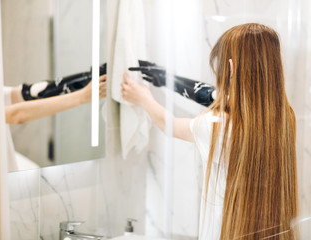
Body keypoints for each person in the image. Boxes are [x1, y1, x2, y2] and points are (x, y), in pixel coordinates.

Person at [121, 23, 298, 239]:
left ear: (231, 68)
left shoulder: (217, 124)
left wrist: (143, 98)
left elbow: (171, 126)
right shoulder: (282, 115)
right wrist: (169, 79)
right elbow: (217, 96)